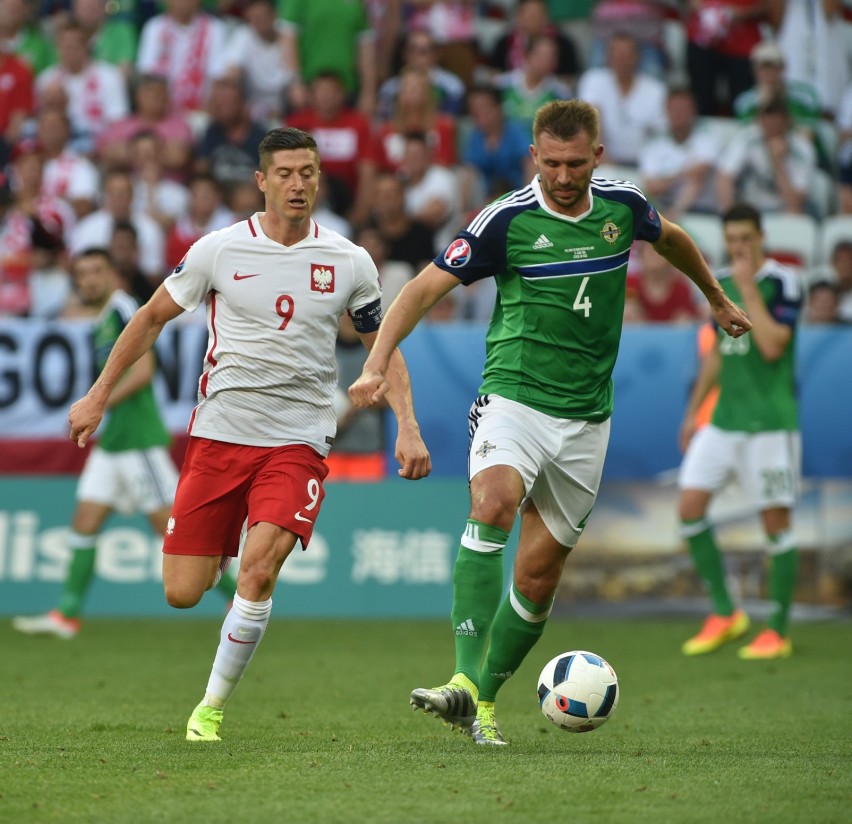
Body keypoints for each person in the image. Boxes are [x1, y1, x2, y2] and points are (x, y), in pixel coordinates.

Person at [349, 100, 750, 746]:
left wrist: (717, 297)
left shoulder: (622, 208)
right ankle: (459, 675)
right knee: (495, 502)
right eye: (552, 163)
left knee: (536, 581)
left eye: (575, 164)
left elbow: (671, 237)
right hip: (514, 397)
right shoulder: (504, 221)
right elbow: (423, 288)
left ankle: (480, 701)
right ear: (534, 157)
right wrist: (374, 362)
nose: (563, 177)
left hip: (586, 420)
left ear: (597, 156)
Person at [66, 127, 431, 742]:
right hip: (219, 436)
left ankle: (208, 708)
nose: (297, 183)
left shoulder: (348, 260)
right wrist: (98, 393)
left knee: (259, 572)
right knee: (184, 591)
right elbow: (152, 316)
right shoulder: (219, 250)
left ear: (319, 179)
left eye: (307, 172)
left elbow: (383, 347)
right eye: (285, 173)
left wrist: (408, 427)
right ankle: (225, 554)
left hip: (298, 441)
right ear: (262, 181)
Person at [12, 248, 235, 638]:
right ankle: (67, 614)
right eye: (82, 273)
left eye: (97, 270)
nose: (90, 279)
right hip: (114, 442)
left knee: (170, 530)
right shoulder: (102, 318)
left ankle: (237, 599)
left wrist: (96, 401)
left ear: (114, 274)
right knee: (84, 522)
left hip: (138, 441)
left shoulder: (122, 308)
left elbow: (143, 372)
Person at [678, 203, 802, 661]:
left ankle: (779, 629)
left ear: (762, 236)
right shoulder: (720, 283)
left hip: (771, 424)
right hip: (724, 420)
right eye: (733, 240)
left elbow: (771, 347)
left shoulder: (783, 282)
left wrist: (747, 287)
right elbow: (716, 353)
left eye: (747, 238)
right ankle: (726, 613)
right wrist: (692, 414)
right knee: (689, 508)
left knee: (776, 525)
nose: (740, 247)